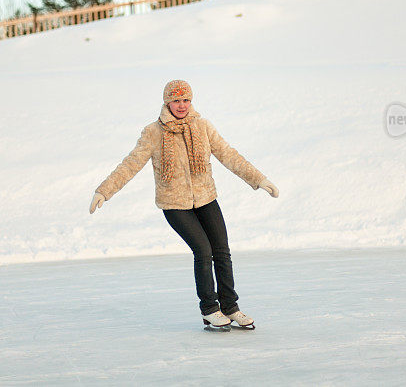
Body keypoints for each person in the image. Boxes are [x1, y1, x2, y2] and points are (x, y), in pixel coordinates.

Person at [89, 79, 279, 329]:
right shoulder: (153, 132)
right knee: (203, 251)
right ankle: (210, 309)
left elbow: (229, 154)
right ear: (167, 102)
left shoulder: (202, 126)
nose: (181, 105)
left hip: (206, 198)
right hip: (175, 204)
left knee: (221, 250)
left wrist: (259, 179)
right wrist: (104, 190)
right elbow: (130, 164)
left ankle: (230, 307)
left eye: (186, 100)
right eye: (176, 100)